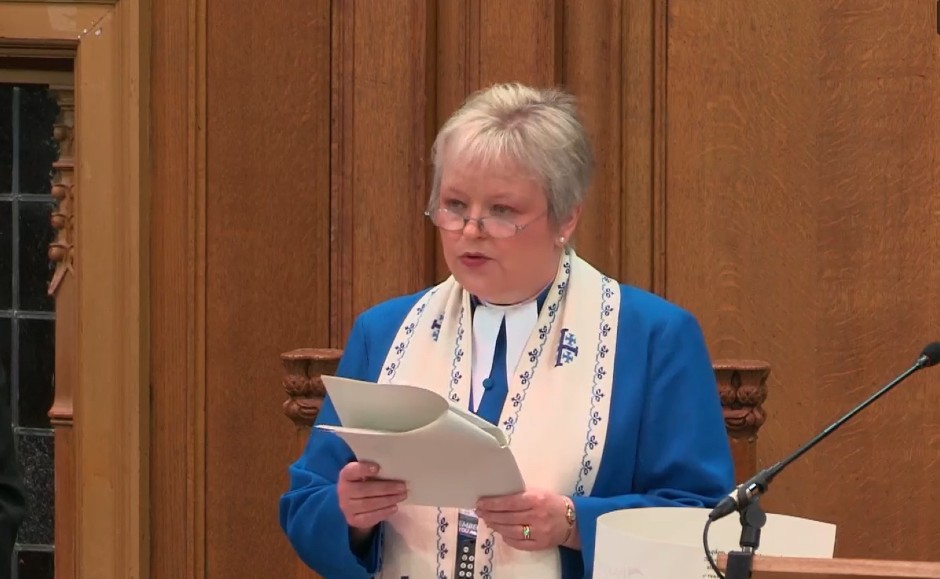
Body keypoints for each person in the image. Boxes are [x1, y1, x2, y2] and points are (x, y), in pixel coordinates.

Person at [280, 82, 734, 578]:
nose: (470, 230)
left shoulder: (651, 339)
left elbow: (702, 525)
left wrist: (572, 523)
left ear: (567, 217)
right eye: (454, 205)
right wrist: (352, 515)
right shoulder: (385, 332)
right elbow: (306, 501)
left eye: (502, 211)